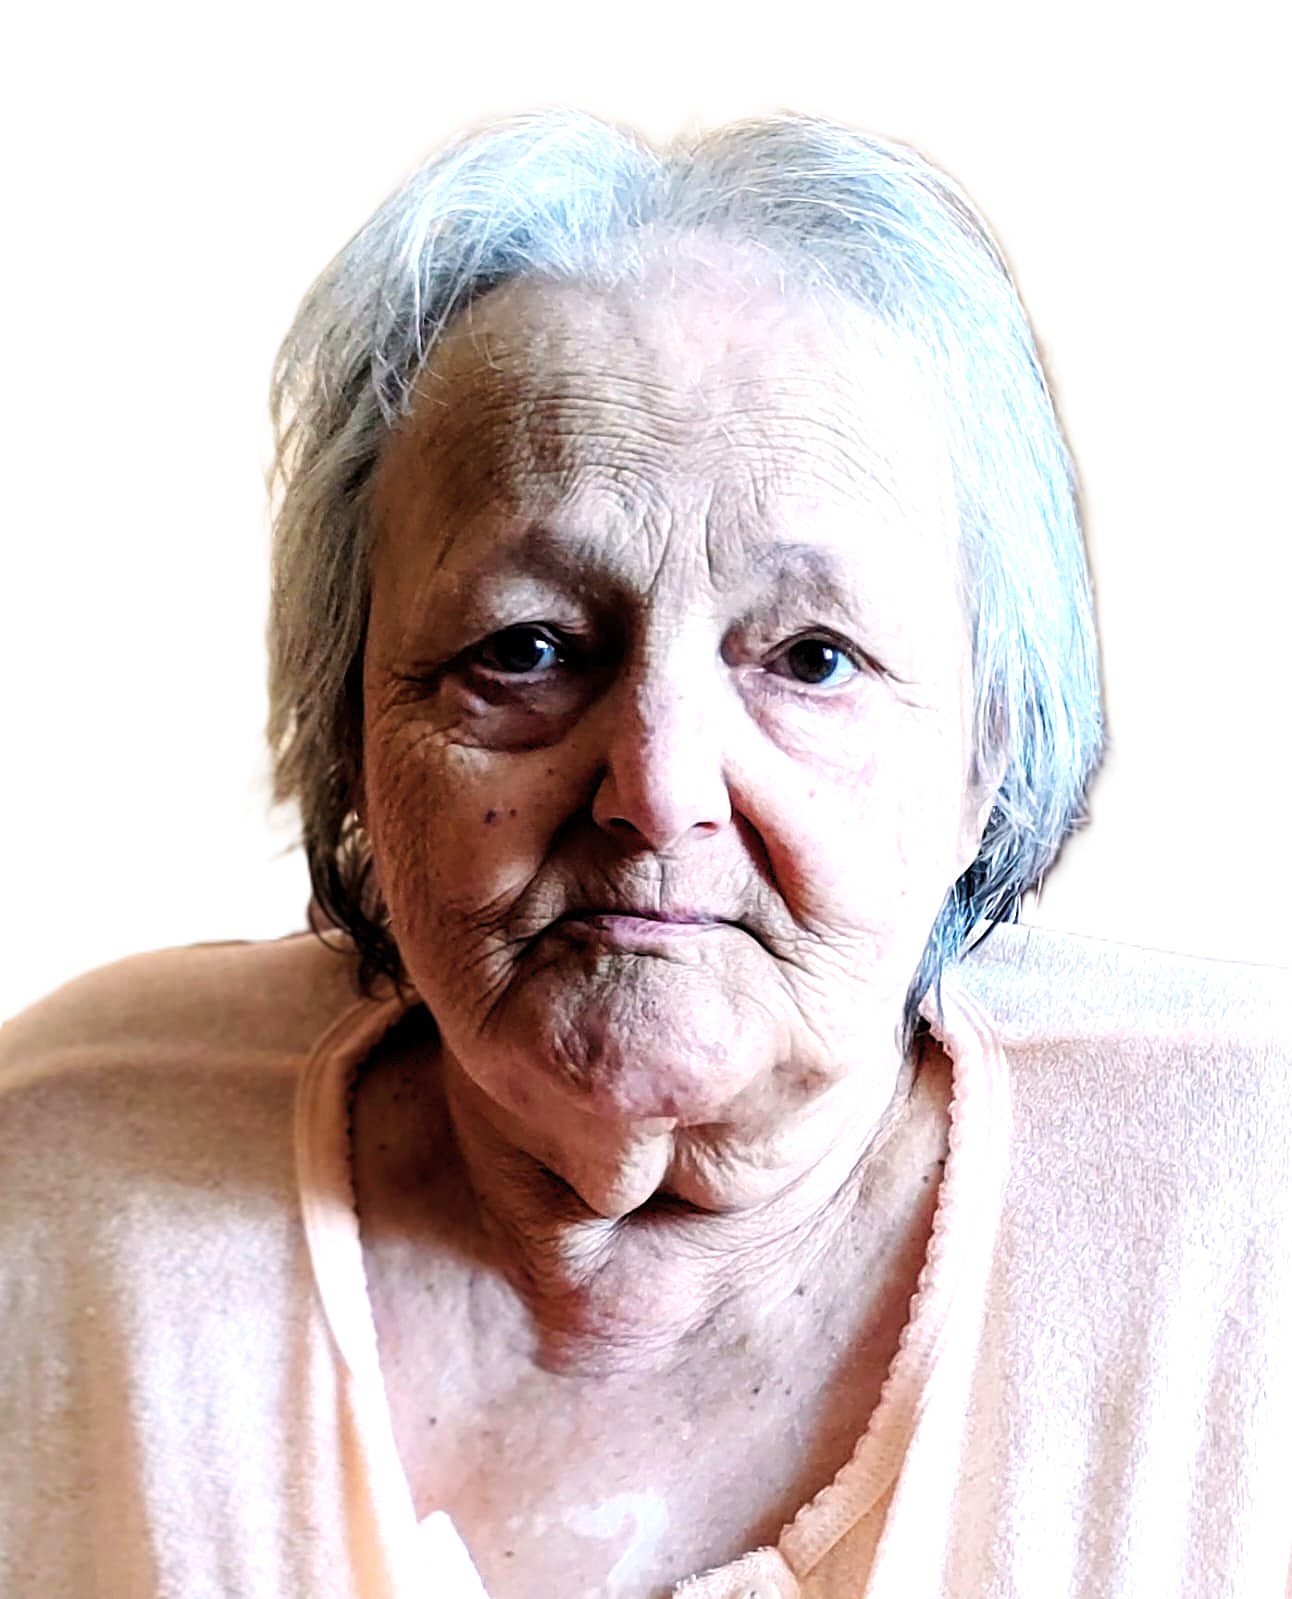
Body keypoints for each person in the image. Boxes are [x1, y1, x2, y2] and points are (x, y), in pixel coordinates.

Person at [1, 110, 1287, 1599]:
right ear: (352, 730)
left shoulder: (1253, 1218)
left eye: (810, 659)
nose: (659, 791)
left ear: (987, 756)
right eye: (527, 648)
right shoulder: (65, 1187)